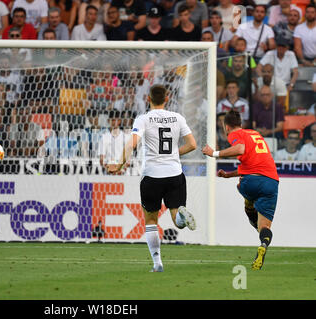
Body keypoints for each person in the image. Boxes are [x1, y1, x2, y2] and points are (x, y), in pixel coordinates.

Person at [107, 84, 197, 272]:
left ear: (148, 99)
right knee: (175, 218)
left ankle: (157, 263)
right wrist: (173, 154)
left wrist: (120, 164)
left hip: (152, 176)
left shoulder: (143, 119)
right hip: (174, 174)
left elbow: (131, 144)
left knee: (150, 221)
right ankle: (181, 215)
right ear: (167, 98)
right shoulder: (178, 118)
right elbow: (192, 145)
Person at [202, 110, 279, 270]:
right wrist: (229, 175)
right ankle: (263, 244)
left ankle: (250, 205)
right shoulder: (254, 134)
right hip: (271, 181)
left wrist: (214, 153)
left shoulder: (234, 134)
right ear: (241, 123)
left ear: (226, 126)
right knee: (265, 227)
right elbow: (252, 164)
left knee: (243, 187)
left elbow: (240, 149)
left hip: (251, 181)